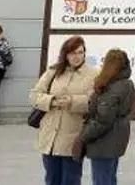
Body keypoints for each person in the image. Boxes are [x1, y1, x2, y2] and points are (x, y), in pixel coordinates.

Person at [31, 36, 97, 185]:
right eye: (73, 53)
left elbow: (94, 102)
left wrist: (73, 101)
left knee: (71, 180)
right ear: (65, 54)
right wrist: (52, 101)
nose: (77, 57)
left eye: (80, 52)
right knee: (51, 179)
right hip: (50, 138)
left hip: (73, 138)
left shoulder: (93, 74)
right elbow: (34, 95)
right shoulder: (54, 71)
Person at [75, 49, 134, 185]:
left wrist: (83, 137)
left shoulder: (112, 88)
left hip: (104, 143)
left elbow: (103, 120)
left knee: (102, 180)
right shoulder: (126, 83)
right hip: (117, 139)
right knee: (110, 178)